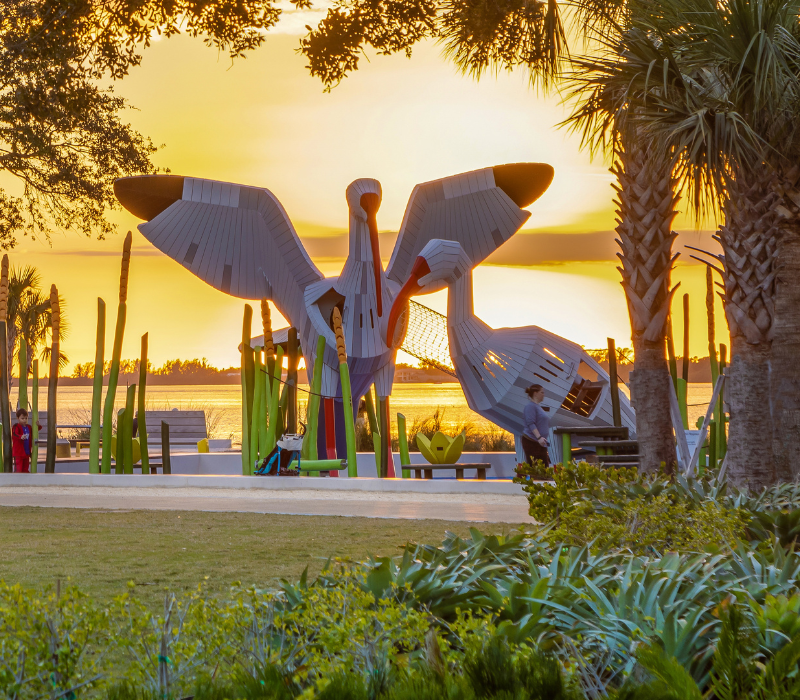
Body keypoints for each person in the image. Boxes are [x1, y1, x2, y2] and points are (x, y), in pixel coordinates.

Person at [521, 384, 550, 467]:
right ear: (535, 393)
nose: (543, 395)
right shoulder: (530, 407)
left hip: (540, 443)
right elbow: (531, 423)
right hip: (532, 441)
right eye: (542, 392)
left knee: (544, 467)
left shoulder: (538, 407)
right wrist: (539, 437)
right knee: (536, 467)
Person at [12, 408, 41, 473]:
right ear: (18, 418)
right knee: (18, 470)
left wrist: (38, 425)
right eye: (22, 418)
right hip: (19, 453)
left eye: (26, 418)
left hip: (26, 452)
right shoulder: (16, 426)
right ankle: (17, 482)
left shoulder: (29, 427)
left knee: (25, 469)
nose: (24, 420)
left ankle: (25, 482)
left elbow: (35, 431)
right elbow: (14, 435)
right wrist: (20, 436)